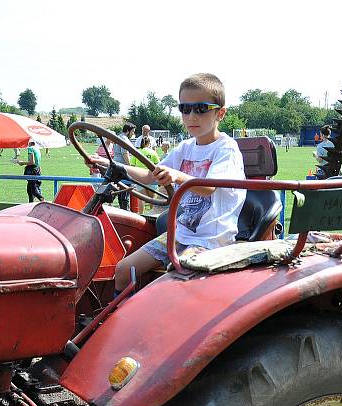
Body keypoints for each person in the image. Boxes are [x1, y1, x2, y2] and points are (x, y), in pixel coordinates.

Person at [89, 73, 246, 297]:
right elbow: (148, 175)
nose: (191, 115)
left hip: (212, 239)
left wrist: (176, 175)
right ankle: (122, 324)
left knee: (173, 281)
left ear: (220, 113)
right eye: (185, 108)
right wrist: (114, 166)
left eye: (201, 109)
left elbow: (208, 187)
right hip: (180, 234)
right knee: (124, 270)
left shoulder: (226, 149)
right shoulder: (185, 147)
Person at [112, 122, 137, 209]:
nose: (133, 134)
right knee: (125, 190)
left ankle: (121, 208)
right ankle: (125, 210)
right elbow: (125, 153)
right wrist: (130, 166)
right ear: (127, 131)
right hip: (122, 167)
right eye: (132, 131)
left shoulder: (118, 137)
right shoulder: (124, 139)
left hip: (116, 164)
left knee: (119, 189)